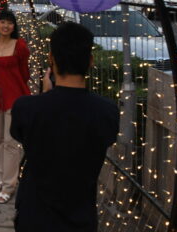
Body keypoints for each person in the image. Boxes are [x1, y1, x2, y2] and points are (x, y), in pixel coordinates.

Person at [10, 22, 119, 232]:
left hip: (34, 215)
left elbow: (20, 134)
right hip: (80, 217)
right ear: (90, 62)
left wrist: (46, 96)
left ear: (51, 59)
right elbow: (107, 137)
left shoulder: (26, 108)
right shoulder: (107, 112)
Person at [0, 11, 31, 204]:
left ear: (14, 26)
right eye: (2, 22)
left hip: (15, 99)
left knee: (11, 143)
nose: (5, 26)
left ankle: (10, 185)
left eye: (10, 23)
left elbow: (24, 72)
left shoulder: (20, 47)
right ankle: (1, 176)